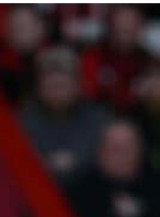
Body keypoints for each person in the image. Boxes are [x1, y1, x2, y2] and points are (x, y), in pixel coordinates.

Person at [18, 47, 110, 184]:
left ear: (77, 86)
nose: (57, 93)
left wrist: (78, 161)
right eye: (51, 86)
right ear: (39, 88)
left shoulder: (98, 119)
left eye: (62, 85)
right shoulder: (23, 121)